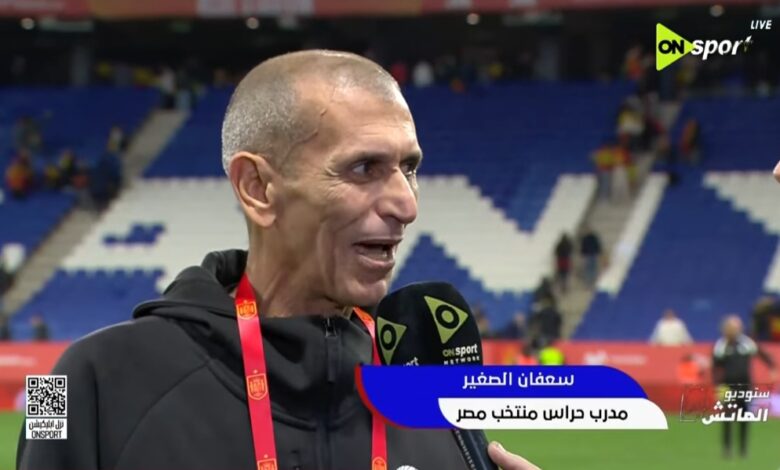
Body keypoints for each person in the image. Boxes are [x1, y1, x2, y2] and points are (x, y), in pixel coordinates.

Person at [17, 50, 538, 470]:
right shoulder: (75, 381)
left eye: (409, 168)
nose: (407, 205)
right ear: (258, 187)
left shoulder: (426, 389)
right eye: (364, 168)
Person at [711, 315, 777, 459]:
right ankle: (727, 449)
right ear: (725, 329)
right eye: (731, 327)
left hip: (745, 387)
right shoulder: (721, 346)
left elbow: (761, 353)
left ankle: (743, 449)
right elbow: (715, 368)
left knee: (744, 418)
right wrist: (717, 386)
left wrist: (771, 367)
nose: (734, 330)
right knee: (727, 418)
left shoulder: (746, 343)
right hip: (727, 387)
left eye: (736, 327)